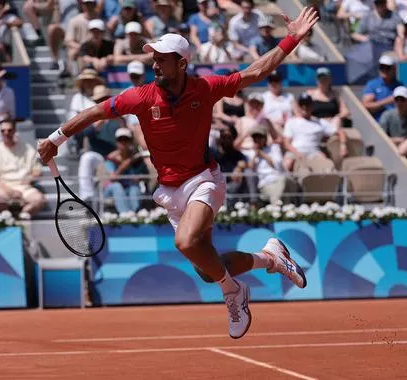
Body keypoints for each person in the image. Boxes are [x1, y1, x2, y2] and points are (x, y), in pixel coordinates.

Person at [38, 7, 318, 339]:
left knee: (186, 242)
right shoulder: (140, 97)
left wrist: (292, 39)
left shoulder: (204, 88)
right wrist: (56, 138)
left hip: (203, 180)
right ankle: (271, 258)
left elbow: (255, 72)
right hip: (170, 190)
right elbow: (96, 111)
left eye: (162, 59)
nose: (154, 64)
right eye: (153, 58)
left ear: (181, 63)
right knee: (206, 268)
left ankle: (234, 293)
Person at [0, 118, 45, 219]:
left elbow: (37, 171)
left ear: (15, 130)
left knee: (39, 200)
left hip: (23, 187)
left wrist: (29, 178)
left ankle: (20, 217)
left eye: (9, 130)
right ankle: (9, 217)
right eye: (3, 131)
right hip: (2, 187)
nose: (6, 133)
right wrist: (10, 191)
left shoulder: (27, 148)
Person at [104, 128, 147, 213]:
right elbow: (112, 179)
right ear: (116, 142)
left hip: (131, 188)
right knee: (117, 186)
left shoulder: (137, 160)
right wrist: (125, 165)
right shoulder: (111, 159)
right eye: (120, 140)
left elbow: (145, 176)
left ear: (130, 142)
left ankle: (136, 215)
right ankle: (126, 215)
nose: (123, 142)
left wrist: (139, 178)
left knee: (134, 188)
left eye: (126, 140)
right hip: (112, 191)